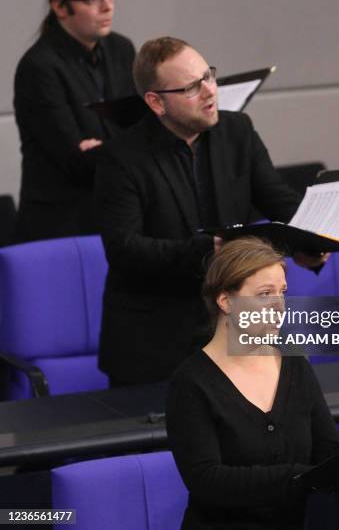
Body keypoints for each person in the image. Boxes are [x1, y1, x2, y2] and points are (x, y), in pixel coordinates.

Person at [94, 36, 325, 386]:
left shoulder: (237, 131)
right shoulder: (121, 157)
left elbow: (277, 199)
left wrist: (311, 238)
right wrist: (207, 251)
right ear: (156, 102)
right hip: (153, 337)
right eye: (191, 87)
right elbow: (123, 247)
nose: (209, 91)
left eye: (209, 76)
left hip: (231, 325)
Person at [166, 237, 339, 529]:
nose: (279, 306)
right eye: (265, 294)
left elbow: (330, 456)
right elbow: (208, 481)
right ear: (226, 301)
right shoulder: (190, 383)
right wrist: (302, 476)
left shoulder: (295, 366)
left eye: (283, 293)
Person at [14, 0, 136, 242]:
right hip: (62, 224)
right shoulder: (39, 67)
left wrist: (104, 147)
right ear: (60, 6)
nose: (107, 6)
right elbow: (74, 160)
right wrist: (128, 147)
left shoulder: (122, 49)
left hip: (115, 211)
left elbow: (137, 127)